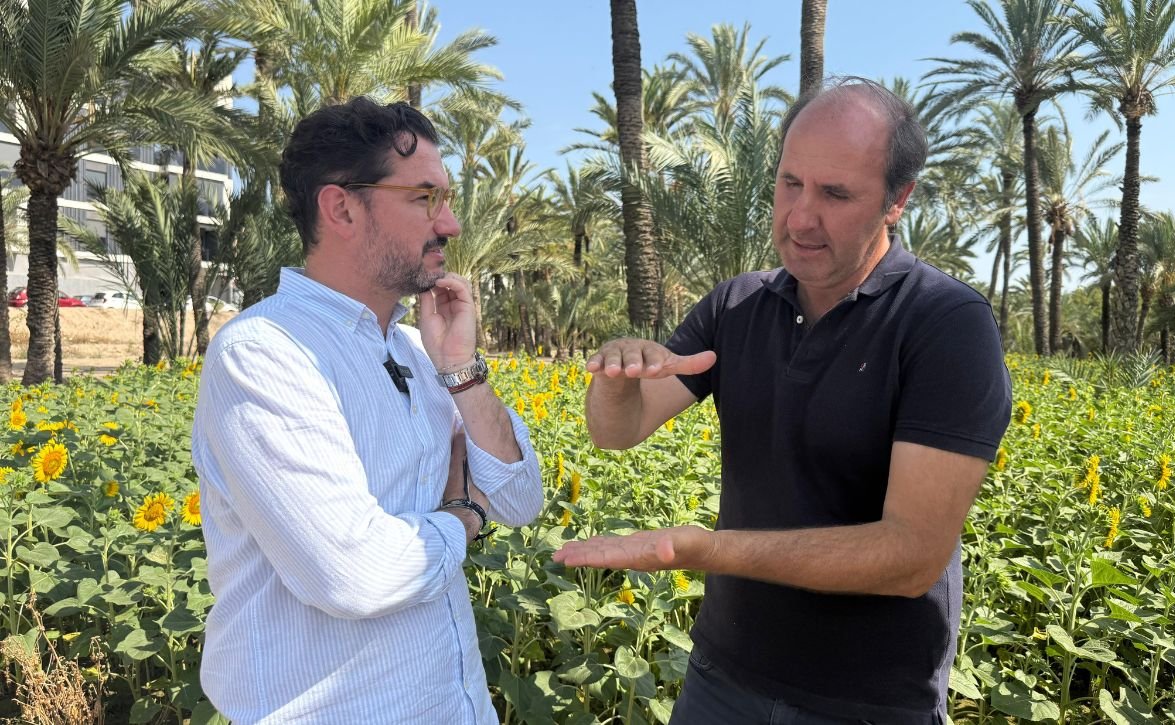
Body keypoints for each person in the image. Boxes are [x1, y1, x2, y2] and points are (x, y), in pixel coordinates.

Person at [553, 77, 1011, 723]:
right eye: (790, 183)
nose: (799, 217)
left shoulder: (944, 323)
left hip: (866, 701)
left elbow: (911, 556)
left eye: (835, 194)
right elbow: (618, 430)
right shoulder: (737, 305)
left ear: (898, 200)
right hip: (721, 677)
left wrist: (704, 551)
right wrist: (616, 378)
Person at [192, 97, 543, 723]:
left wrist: (462, 370)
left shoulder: (417, 348)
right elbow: (355, 574)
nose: (451, 223)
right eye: (425, 198)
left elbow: (519, 500)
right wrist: (462, 515)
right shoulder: (265, 352)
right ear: (342, 208)